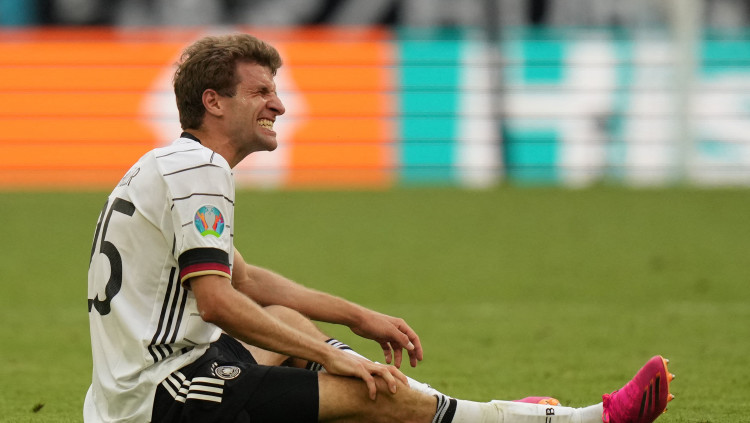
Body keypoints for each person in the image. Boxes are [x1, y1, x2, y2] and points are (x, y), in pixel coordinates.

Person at [84, 33, 675, 423]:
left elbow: (245, 279)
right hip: (161, 399)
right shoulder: (202, 170)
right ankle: (584, 419)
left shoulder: (165, 165)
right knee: (372, 395)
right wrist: (332, 356)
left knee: (290, 324)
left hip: (136, 389)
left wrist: (355, 317)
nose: (279, 105)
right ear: (214, 102)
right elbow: (217, 302)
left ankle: (458, 412)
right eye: (261, 92)